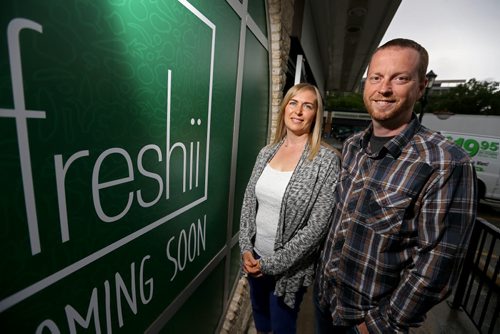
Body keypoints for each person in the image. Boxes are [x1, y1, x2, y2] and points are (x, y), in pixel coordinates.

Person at [314, 38, 477, 333]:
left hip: (365, 322)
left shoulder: (446, 162)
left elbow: (438, 264)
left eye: (400, 78)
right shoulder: (353, 146)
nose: (384, 88)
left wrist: (379, 324)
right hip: (325, 300)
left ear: (421, 86)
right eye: (376, 77)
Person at [239, 83, 340, 334]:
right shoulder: (266, 152)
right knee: (261, 321)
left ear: (316, 114)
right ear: (284, 108)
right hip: (255, 259)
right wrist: (245, 248)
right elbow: (249, 201)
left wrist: (272, 265)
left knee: (282, 327)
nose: (299, 111)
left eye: (308, 106)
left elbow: (318, 225)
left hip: (289, 270)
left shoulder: (326, 161)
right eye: (293, 103)